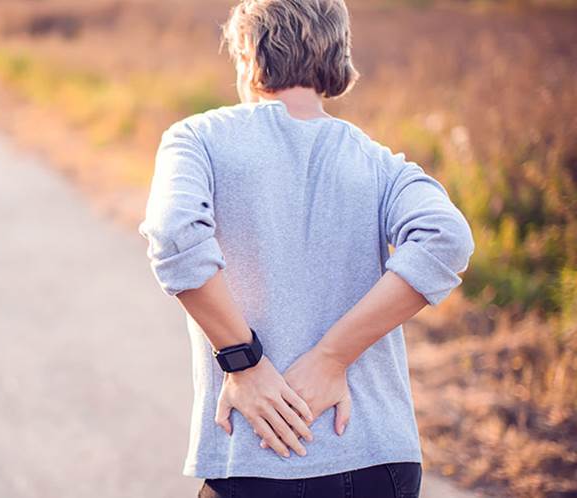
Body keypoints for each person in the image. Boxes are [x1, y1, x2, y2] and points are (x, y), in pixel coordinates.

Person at [136, 0, 475, 496]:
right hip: (381, 460)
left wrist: (244, 363)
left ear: (248, 56)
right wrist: (332, 358)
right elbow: (447, 240)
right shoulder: (379, 163)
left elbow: (174, 234)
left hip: (258, 455)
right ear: (337, 58)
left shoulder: (197, 139)